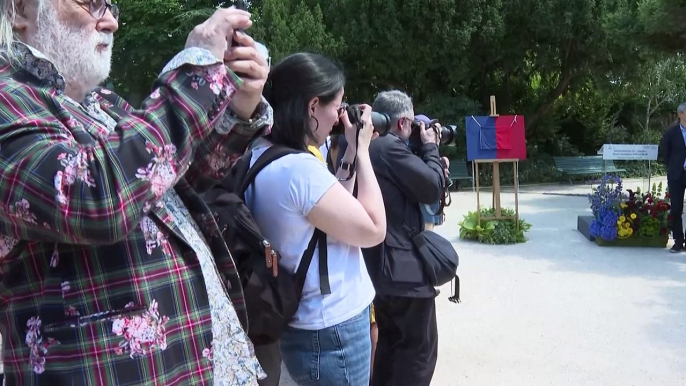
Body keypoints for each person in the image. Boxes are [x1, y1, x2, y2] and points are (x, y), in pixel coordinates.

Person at [0, 1, 271, 384]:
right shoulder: (7, 98)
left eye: (111, 5)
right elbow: (96, 200)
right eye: (90, 2)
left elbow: (173, 181)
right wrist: (196, 72)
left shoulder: (103, 105)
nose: (110, 21)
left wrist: (238, 107)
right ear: (18, 10)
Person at [244, 52, 386, 386]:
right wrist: (364, 151)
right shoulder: (298, 169)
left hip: (308, 324)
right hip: (332, 330)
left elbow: (328, 207)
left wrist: (350, 150)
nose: (340, 118)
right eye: (337, 107)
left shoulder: (263, 153)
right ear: (312, 107)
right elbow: (374, 229)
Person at [363, 90, 448, 386]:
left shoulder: (369, 147)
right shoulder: (388, 148)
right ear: (401, 123)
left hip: (380, 270)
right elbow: (431, 188)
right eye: (411, 126)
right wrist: (431, 149)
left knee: (391, 348)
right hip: (403, 275)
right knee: (417, 355)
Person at [660, 101, 686, 253]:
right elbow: (666, 154)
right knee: (676, 208)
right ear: (680, 114)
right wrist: (674, 168)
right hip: (676, 174)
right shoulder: (670, 133)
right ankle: (678, 240)